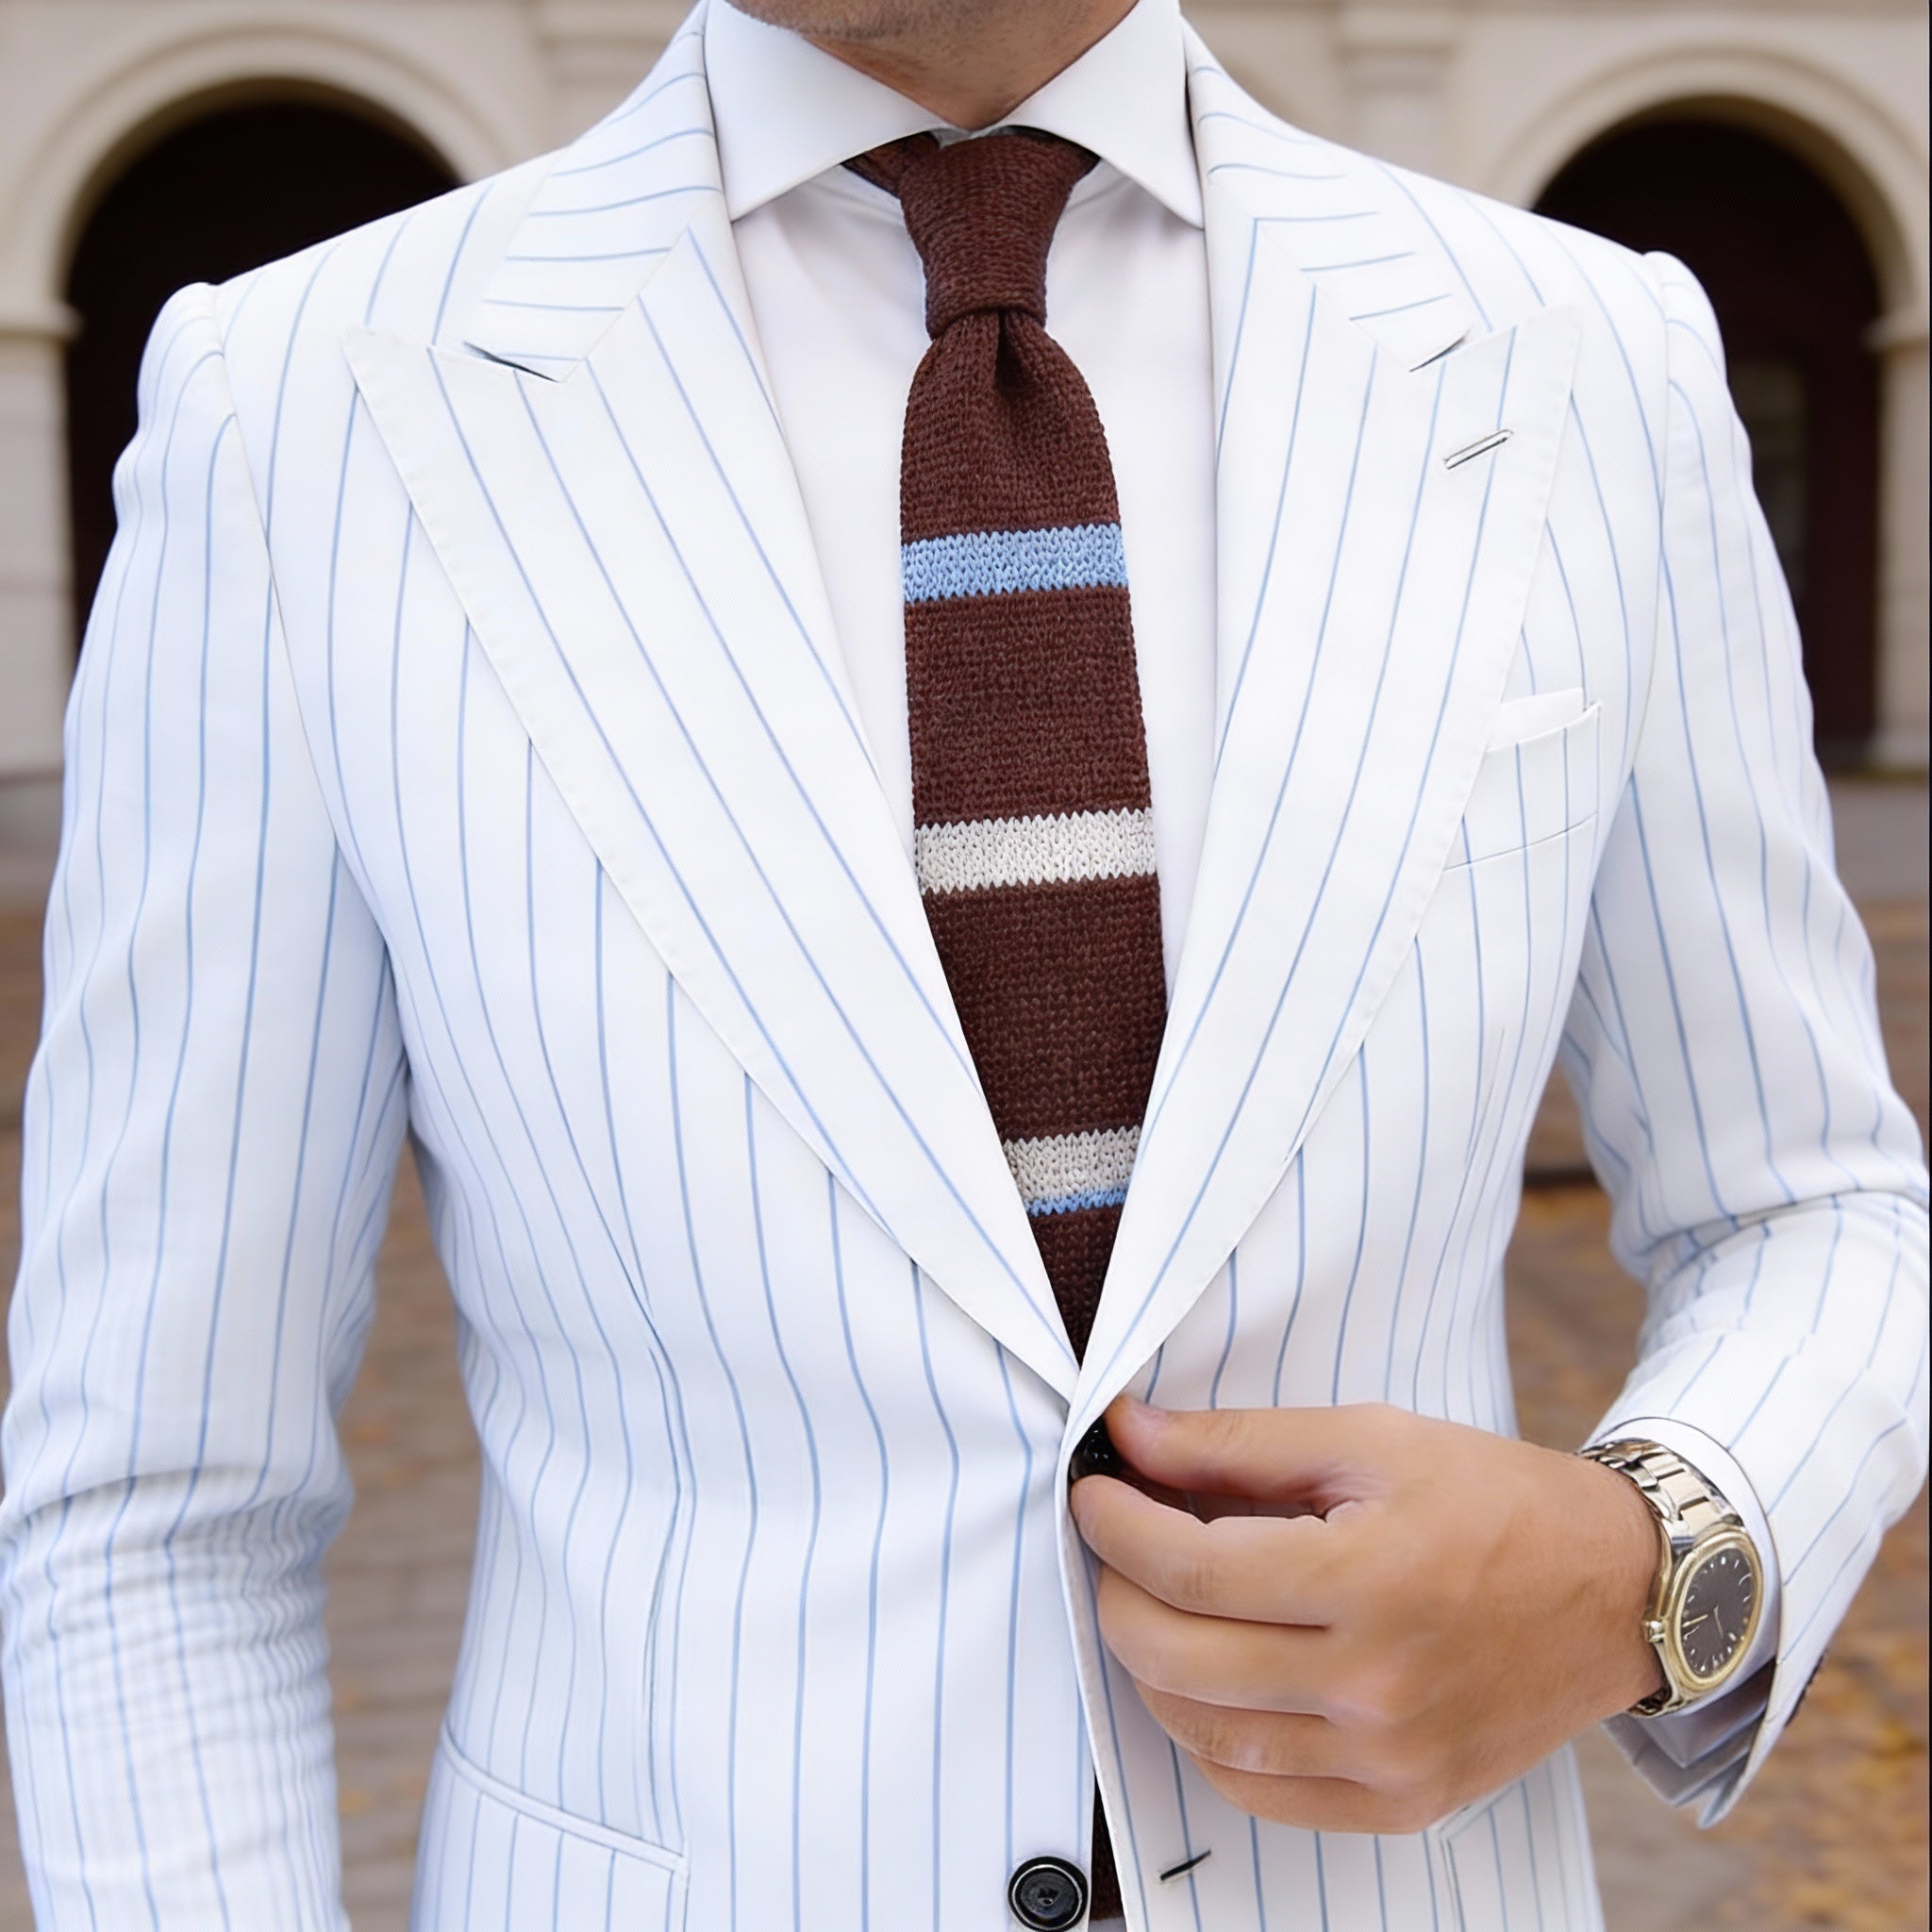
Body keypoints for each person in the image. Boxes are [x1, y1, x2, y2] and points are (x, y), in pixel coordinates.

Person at [2, 0, 1924, 1924]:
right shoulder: (298, 411)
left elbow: (1813, 1202)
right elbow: (162, 1502)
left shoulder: (1588, 362)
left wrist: (1645, 1561)